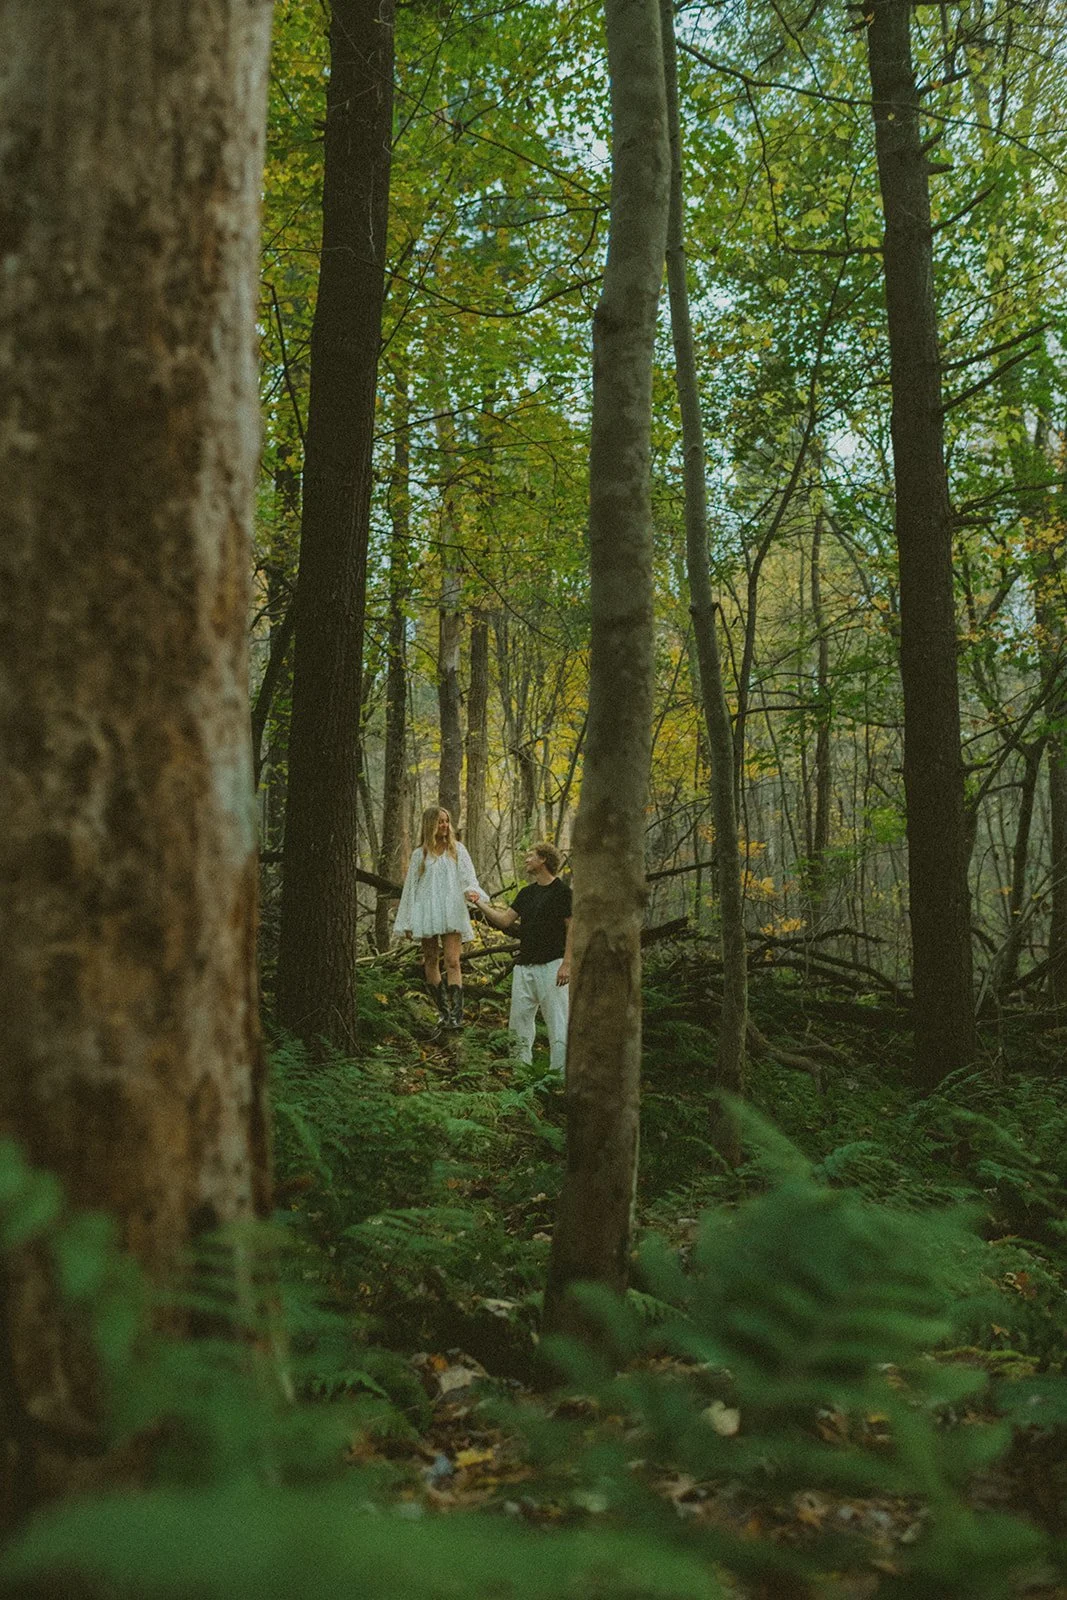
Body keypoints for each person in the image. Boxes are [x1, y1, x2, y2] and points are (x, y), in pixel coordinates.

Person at [471, 841, 572, 1076]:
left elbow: (573, 930)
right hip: (524, 966)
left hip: (553, 966)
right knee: (519, 1023)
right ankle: (520, 1076)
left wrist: (567, 964)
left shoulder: (563, 893)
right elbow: (505, 921)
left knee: (557, 1023)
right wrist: (479, 903)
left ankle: (559, 1078)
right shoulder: (527, 893)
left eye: (530, 856)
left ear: (543, 860)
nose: (526, 860)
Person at [394, 806, 488, 1030]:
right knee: (430, 959)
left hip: (451, 908)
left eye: (447, 821)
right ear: (430, 825)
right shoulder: (420, 854)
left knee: (453, 961)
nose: (445, 826)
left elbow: (468, 878)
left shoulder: (458, 850)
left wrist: (472, 892)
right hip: (426, 909)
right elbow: (411, 889)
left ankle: (456, 1015)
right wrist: (407, 920)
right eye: (440, 822)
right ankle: (443, 1012)